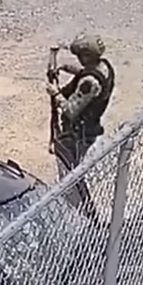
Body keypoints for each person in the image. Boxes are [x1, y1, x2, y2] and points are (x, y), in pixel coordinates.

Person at [47, 35, 115, 214]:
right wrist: (69, 68)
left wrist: (55, 94)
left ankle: (81, 212)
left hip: (79, 134)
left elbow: (70, 110)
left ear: (87, 55)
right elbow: (89, 73)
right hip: (89, 129)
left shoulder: (89, 83)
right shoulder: (105, 67)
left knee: (70, 173)